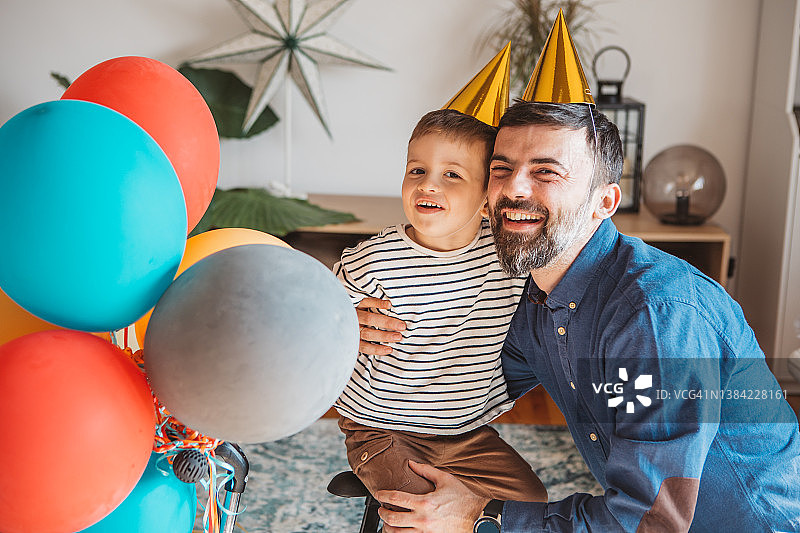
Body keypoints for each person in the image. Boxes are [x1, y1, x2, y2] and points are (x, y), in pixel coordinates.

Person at [365, 13, 800, 532]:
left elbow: (648, 520)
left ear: (604, 202)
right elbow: (452, 371)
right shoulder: (529, 301)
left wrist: (486, 512)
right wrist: (363, 328)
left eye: (546, 171)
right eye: (501, 169)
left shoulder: (654, 317)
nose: (515, 189)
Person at [333, 44, 548, 509]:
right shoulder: (375, 260)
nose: (428, 184)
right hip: (380, 424)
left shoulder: (509, 253)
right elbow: (321, 307)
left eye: (453, 175)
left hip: (465, 433)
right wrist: (345, 311)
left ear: (489, 195)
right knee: (418, 507)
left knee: (531, 504)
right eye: (418, 170)